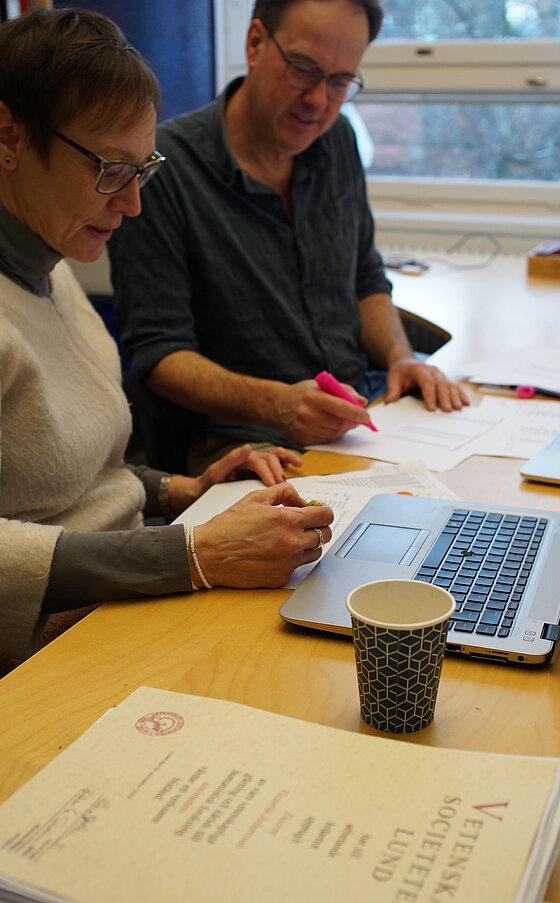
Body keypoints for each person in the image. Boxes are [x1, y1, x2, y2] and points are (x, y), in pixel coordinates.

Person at [0, 7, 333, 663]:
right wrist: (195, 551)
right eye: (110, 169)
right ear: (8, 137)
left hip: (129, 591)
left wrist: (189, 490)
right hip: (51, 646)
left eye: (141, 169)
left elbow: (76, 475)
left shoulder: (51, 265)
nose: (132, 204)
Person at [108, 0, 470, 476]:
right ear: (255, 43)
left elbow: (365, 278)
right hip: (241, 444)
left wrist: (402, 359)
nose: (318, 101)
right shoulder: (166, 170)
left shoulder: (336, 140)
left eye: (340, 82)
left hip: (360, 422)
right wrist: (276, 403)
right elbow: (160, 355)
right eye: (304, 70)